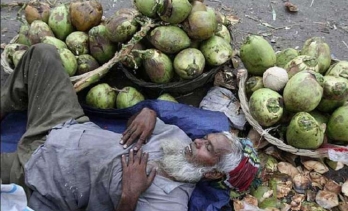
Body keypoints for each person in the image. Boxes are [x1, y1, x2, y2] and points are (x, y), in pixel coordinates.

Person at [1, 44, 260, 210]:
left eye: (208, 147)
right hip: (66, 124)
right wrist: (146, 112)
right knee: (43, 54)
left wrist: (130, 195)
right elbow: (135, 124)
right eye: (206, 137)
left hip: (39, 173)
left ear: (213, 173)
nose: (198, 141)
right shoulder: (177, 138)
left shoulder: (170, 204)